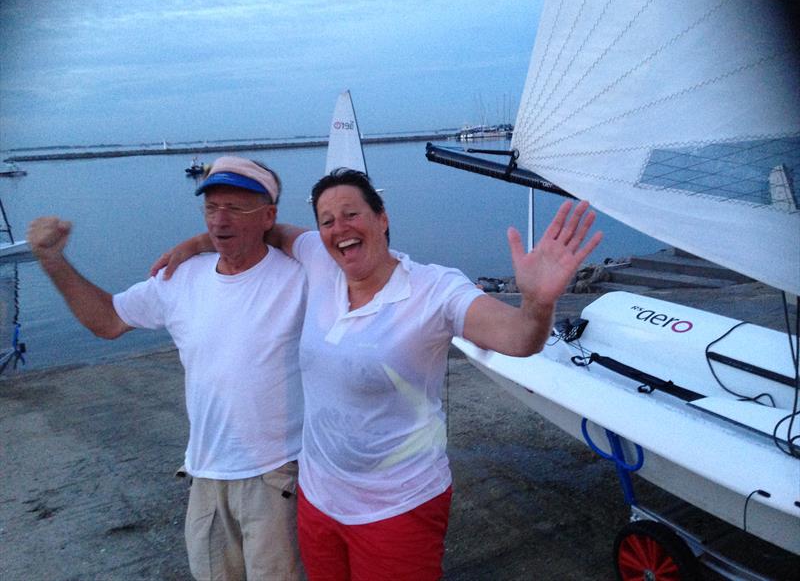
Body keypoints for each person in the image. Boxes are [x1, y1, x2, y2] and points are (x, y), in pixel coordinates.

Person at [155, 167, 602, 581]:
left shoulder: (433, 289)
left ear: (382, 218)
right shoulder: (317, 259)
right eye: (327, 221)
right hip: (318, 500)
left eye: (352, 214)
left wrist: (537, 303)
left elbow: (520, 338)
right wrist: (198, 244)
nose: (339, 229)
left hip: (399, 506)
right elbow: (264, 231)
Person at [28, 156, 307, 581]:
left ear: (269, 215)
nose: (220, 219)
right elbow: (108, 320)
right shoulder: (181, 277)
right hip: (205, 476)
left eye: (236, 207)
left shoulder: (300, 277)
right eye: (211, 208)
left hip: (276, 477)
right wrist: (52, 260)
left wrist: (201, 240)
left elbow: (340, 245)